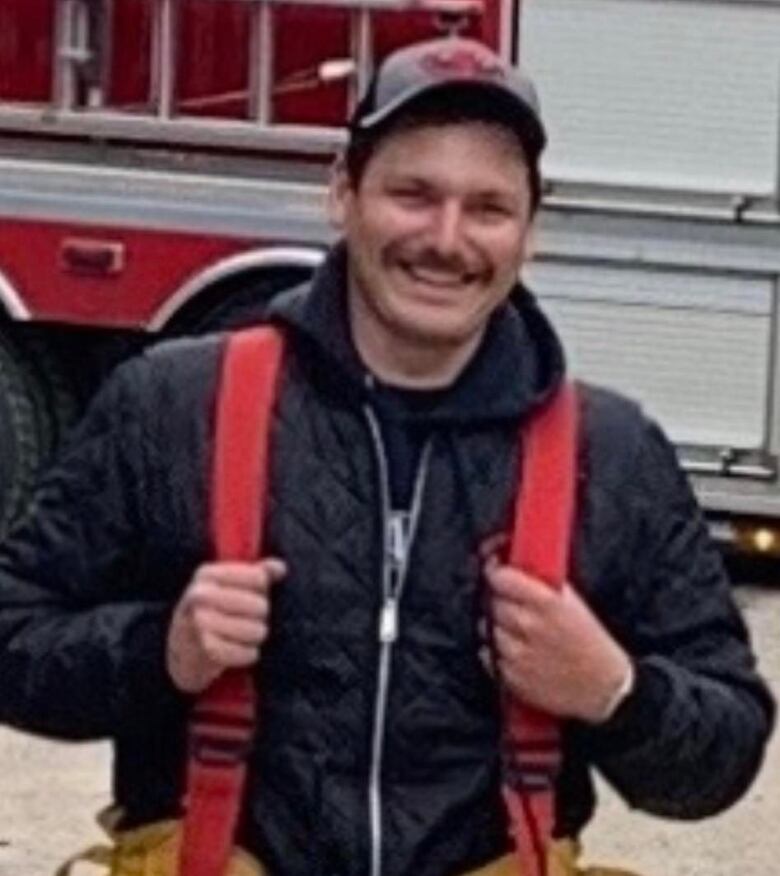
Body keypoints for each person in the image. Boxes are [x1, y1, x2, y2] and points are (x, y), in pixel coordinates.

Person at [0, 35, 774, 876]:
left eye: (488, 207)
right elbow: (12, 638)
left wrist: (613, 691)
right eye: (414, 193)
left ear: (530, 232)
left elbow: (726, 752)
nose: (446, 238)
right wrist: (162, 650)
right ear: (342, 194)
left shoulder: (612, 455)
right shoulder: (174, 409)